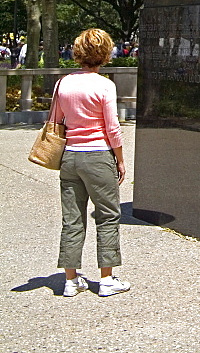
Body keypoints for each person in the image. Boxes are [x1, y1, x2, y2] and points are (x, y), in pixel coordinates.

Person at [53, 28, 130, 297]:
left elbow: (57, 120)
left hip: (71, 156)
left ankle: (70, 280)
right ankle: (107, 279)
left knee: (72, 218)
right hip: (98, 155)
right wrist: (120, 160)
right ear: (105, 53)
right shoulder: (105, 85)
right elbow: (112, 128)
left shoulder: (63, 83)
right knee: (107, 215)